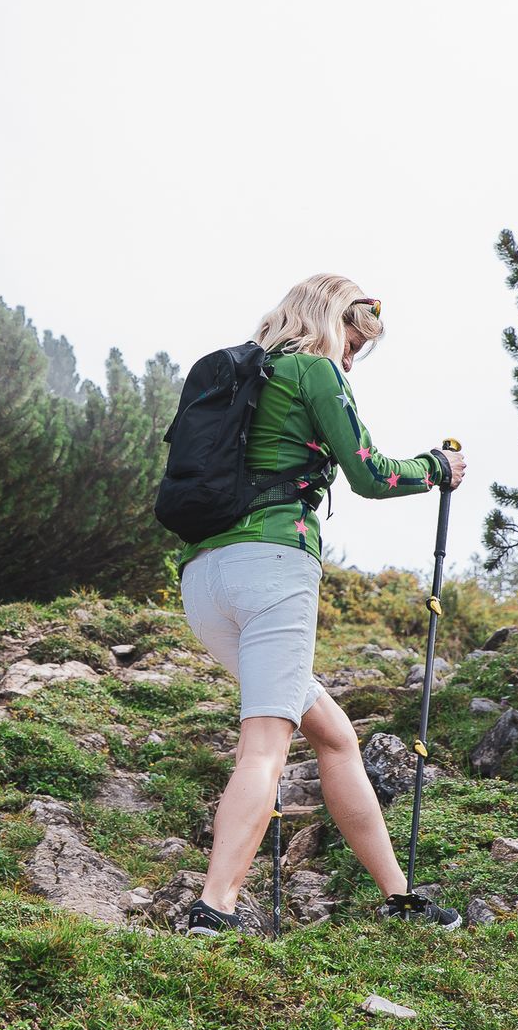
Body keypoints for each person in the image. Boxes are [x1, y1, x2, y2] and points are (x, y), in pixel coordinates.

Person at [176, 273, 468, 937]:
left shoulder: (239, 376)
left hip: (204, 579)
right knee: (265, 748)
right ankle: (213, 907)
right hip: (275, 567)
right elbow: (370, 473)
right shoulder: (314, 371)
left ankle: (399, 896)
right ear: (332, 322)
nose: (351, 358)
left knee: (334, 735)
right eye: (354, 343)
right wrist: (436, 470)